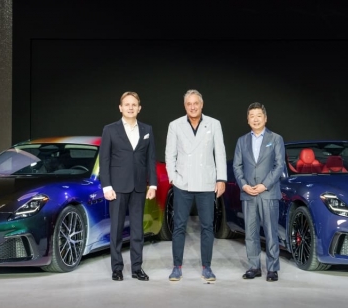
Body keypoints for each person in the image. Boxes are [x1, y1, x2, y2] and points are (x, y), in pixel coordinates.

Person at [165, 89, 227, 282]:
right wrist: (173, 178)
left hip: (207, 183)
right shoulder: (175, 125)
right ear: (185, 106)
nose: (192, 107)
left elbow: (220, 153)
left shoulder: (214, 124)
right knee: (179, 226)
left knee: (208, 226)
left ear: (202, 104)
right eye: (189, 104)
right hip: (183, 182)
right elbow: (170, 154)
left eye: (196, 103)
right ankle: (177, 267)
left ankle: (207, 267)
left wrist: (221, 179)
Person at [99, 91, 157, 282]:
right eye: (127, 104)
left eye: (134, 104)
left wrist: (153, 184)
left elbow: (150, 160)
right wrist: (106, 186)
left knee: (137, 230)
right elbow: (104, 159)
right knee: (115, 230)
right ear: (120, 108)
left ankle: (137, 268)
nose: (130, 107)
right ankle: (117, 268)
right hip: (117, 187)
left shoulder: (147, 129)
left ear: (139, 108)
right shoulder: (109, 129)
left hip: (139, 186)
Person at [232, 102, 285, 282]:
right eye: (252, 116)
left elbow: (279, 166)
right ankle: (254, 267)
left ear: (265, 118)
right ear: (248, 120)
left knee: (270, 232)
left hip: (268, 192)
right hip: (248, 193)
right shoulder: (241, 141)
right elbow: (237, 166)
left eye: (259, 116)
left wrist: (265, 185)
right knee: (251, 232)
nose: (255, 119)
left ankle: (272, 268)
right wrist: (244, 185)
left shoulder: (276, 139)